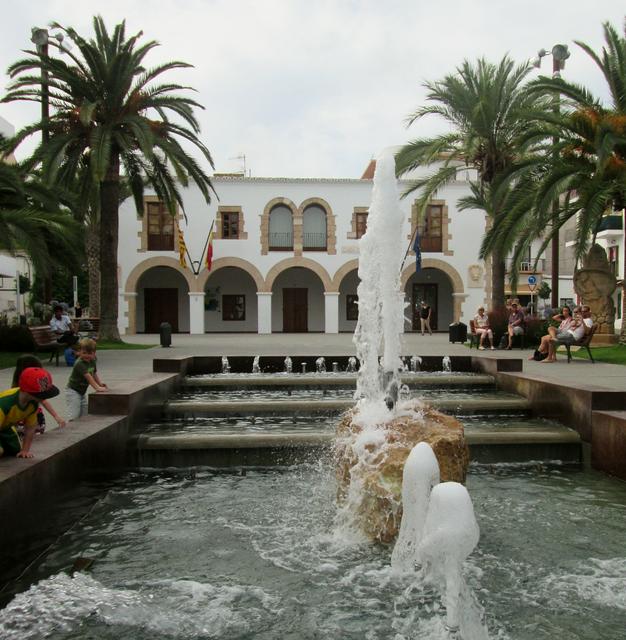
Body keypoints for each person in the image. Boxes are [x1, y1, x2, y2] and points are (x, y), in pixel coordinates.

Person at [0, 367, 59, 458]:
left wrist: (25, 450)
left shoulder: (33, 403)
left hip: (5, 427)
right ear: (27, 392)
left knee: (15, 450)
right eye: (42, 395)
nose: (44, 398)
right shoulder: (4, 403)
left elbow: (30, 427)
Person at [12, 355, 66, 430]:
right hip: (22, 418)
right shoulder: (25, 385)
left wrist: (56, 416)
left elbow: (43, 400)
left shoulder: (36, 381)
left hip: (35, 416)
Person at [66, 338, 108, 421]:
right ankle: (70, 429)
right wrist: (97, 388)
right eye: (84, 353)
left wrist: (100, 384)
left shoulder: (92, 361)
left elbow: (94, 373)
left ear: (94, 353)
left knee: (84, 415)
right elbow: (89, 377)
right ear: (79, 352)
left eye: (89, 353)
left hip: (81, 392)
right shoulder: (79, 363)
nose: (87, 355)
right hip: (73, 391)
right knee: (74, 415)